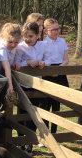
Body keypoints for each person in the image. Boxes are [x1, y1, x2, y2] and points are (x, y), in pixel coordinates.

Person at [15, 22, 50, 153]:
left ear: (38, 35)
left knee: (33, 114)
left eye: (30, 36)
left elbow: (50, 59)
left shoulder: (44, 45)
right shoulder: (20, 47)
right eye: (25, 36)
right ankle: (20, 142)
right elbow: (16, 63)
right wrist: (27, 63)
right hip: (23, 84)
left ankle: (29, 142)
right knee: (22, 113)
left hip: (37, 84)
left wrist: (43, 63)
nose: (27, 39)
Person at [43, 18, 69, 133]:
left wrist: (58, 69)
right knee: (45, 104)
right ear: (46, 31)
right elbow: (41, 60)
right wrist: (49, 71)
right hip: (46, 73)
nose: (56, 31)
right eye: (53, 29)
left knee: (56, 105)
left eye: (57, 29)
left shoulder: (62, 41)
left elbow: (66, 59)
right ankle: (45, 133)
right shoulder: (43, 43)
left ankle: (54, 133)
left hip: (59, 71)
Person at [0, 23, 21, 94]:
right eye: (10, 42)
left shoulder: (14, 46)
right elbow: (6, 67)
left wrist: (16, 62)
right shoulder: (1, 49)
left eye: (16, 42)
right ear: (3, 38)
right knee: (0, 93)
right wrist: (10, 85)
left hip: (8, 74)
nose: (13, 45)